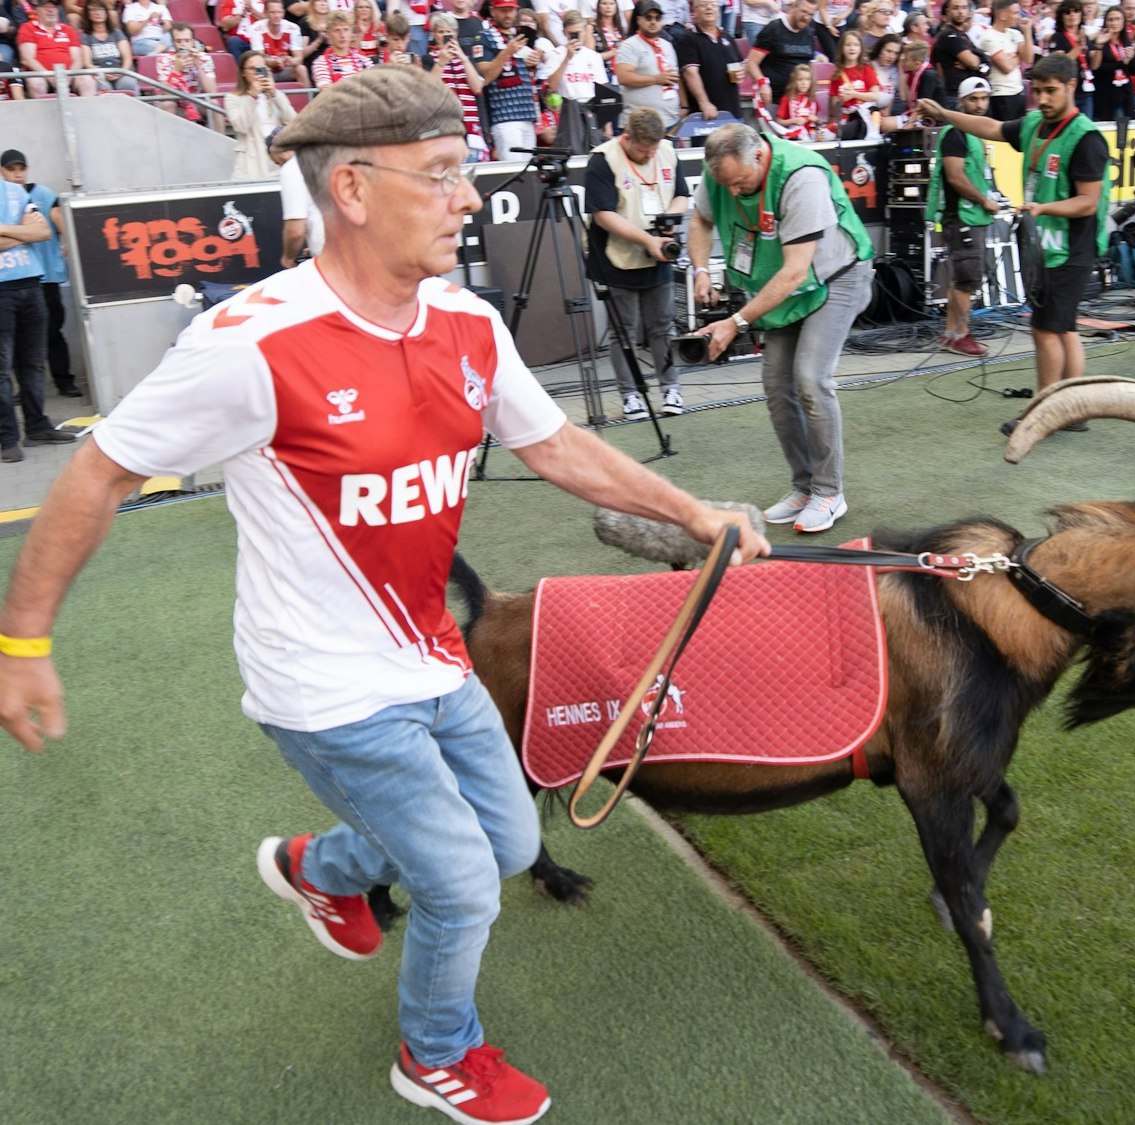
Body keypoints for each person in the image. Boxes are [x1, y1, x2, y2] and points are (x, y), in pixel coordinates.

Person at [0, 68, 766, 1125]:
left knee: (507, 845)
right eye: (442, 174)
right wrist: (22, 644)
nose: (466, 197)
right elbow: (100, 468)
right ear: (352, 191)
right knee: (459, 883)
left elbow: (556, 447)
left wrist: (692, 514)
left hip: (431, 659)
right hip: (322, 687)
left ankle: (324, 867)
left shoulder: (464, 324)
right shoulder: (253, 343)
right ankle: (436, 1056)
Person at [684, 123, 876, 534]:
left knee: (810, 377)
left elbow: (794, 271)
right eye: (726, 184)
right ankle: (803, 487)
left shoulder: (801, 175)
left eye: (741, 182)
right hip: (784, 289)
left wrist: (735, 323)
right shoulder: (720, 171)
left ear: (759, 156)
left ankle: (829, 493)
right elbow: (700, 221)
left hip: (835, 277)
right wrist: (700, 271)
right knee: (776, 386)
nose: (734, 192)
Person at [918, 53, 1106, 434]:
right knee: (1063, 327)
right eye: (1038, 91)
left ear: (1071, 87)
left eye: (1051, 91)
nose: (1044, 99)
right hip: (1045, 245)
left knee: (1046, 329)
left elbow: (1088, 200)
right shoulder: (1036, 123)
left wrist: (1042, 207)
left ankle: (1043, 413)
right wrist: (946, 115)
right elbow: (989, 126)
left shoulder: (1086, 137)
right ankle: (1074, 410)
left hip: (1071, 247)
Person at [584, 107, 688, 421]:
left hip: (659, 253)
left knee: (663, 326)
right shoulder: (603, 159)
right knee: (623, 331)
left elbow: (682, 194)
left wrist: (670, 218)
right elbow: (603, 214)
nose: (649, 155)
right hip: (618, 257)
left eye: (654, 148)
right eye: (643, 150)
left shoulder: (666, 152)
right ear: (627, 138)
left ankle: (671, 387)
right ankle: (630, 395)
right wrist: (646, 240)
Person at [925, 76, 1005, 357]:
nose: (980, 104)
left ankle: (951, 334)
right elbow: (956, 177)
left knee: (964, 277)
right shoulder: (956, 134)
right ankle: (959, 334)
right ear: (961, 101)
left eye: (984, 98)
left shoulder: (972, 133)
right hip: (962, 215)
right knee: (967, 278)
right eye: (974, 99)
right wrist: (984, 200)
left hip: (970, 214)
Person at [0, 173, 74, 461]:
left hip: (31, 284)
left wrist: (5, 230)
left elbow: (43, 232)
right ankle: (7, 439)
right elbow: (31, 232)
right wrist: (21, 231)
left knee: (33, 363)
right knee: (1, 371)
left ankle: (37, 427)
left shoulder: (15, 192)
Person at [0, 150, 78, 401]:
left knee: (52, 332)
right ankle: (24, 393)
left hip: (47, 275)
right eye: (12, 169)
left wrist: (12, 233)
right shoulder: (8, 197)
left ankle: (64, 382)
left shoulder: (41, 194)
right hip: (11, 282)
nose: (18, 174)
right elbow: (35, 232)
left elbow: (49, 230)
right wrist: (26, 231)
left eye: (21, 168)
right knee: (14, 347)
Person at [478, 0, 546, 158]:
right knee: (513, 170)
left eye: (511, 10)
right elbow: (486, 77)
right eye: (502, 10)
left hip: (527, 113)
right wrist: (507, 52)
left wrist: (533, 62)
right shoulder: (484, 37)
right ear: (493, 11)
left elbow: (530, 73)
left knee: (529, 172)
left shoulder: (523, 34)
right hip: (504, 116)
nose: (507, 14)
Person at [224, 51, 300, 179]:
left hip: (277, 157)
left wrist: (274, 94)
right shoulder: (233, 98)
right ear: (243, 73)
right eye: (253, 69)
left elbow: (293, 122)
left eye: (261, 68)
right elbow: (240, 126)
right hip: (251, 159)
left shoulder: (277, 95)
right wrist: (252, 96)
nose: (257, 72)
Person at [424, 12, 489, 159]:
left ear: (456, 33)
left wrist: (463, 58)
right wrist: (441, 62)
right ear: (435, 35)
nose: (445, 35)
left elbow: (477, 87)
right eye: (441, 32)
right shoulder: (428, 59)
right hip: (444, 127)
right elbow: (428, 89)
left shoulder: (466, 58)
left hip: (470, 130)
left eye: (449, 32)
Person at [746, 0, 825, 110]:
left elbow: (808, 65)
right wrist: (762, 83)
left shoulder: (809, 33)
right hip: (773, 99)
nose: (806, 18)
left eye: (811, 15)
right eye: (804, 12)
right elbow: (751, 62)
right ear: (793, 8)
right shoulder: (773, 29)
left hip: (798, 102)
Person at [676, 0, 743, 122]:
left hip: (732, 112)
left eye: (713, 4)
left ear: (718, 10)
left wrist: (741, 72)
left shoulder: (726, 36)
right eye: (703, 5)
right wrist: (704, 103)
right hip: (706, 116)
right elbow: (690, 73)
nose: (709, 8)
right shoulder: (688, 39)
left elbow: (739, 64)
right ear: (694, 12)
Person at [19, 0, 95, 97]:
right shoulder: (28, 27)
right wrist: (50, 77)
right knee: (35, 82)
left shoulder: (67, 29)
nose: (50, 10)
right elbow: (27, 59)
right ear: (37, 10)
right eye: (46, 7)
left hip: (69, 75)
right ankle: (41, 112)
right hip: (41, 74)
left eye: (53, 7)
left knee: (87, 80)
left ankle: (87, 111)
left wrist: (68, 77)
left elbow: (78, 59)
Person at [158, 22, 219, 125]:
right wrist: (176, 70)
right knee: (168, 104)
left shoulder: (204, 58)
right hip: (175, 101)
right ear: (173, 42)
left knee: (214, 104)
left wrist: (199, 66)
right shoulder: (164, 59)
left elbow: (212, 92)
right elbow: (166, 94)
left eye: (187, 40)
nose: (183, 44)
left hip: (198, 101)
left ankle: (220, 140)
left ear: (193, 42)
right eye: (179, 41)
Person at [1089, 4, 1135, 119]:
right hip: (1105, 94)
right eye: (1110, 20)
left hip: (1125, 94)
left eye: (1117, 19)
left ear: (1123, 22)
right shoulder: (1099, 41)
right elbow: (1097, 69)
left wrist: (1131, 59)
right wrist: (1122, 63)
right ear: (1105, 22)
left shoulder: (1127, 42)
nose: (1114, 23)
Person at [930, 0, 985, 108]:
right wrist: (979, 61)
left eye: (963, 8)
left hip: (967, 94)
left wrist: (980, 60)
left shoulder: (963, 36)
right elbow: (973, 62)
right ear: (948, 11)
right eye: (956, 8)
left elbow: (985, 65)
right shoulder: (948, 35)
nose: (960, 12)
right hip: (955, 96)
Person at [980, 0, 1029, 118]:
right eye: (1015, 13)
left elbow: (1028, 58)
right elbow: (1006, 68)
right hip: (1001, 95)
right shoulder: (989, 37)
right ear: (1003, 15)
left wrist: (1027, 31)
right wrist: (1018, 55)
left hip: (1018, 92)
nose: (1019, 17)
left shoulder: (1015, 33)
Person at [831, 27, 884, 136]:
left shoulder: (866, 69)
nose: (852, 48)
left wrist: (854, 94)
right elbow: (834, 104)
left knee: (845, 131)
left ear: (860, 49)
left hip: (866, 114)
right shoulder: (837, 74)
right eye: (848, 45)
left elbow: (875, 96)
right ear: (842, 48)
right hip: (847, 116)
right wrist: (841, 99)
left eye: (855, 45)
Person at [77, 0, 139, 92]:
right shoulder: (86, 36)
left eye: (101, 10)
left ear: (106, 13)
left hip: (119, 71)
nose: (98, 13)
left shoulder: (116, 33)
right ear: (88, 15)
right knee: (104, 87)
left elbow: (127, 58)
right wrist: (102, 73)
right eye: (93, 10)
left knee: (128, 83)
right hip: (99, 73)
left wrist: (121, 72)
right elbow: (87, 63)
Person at [245, 0, 307, 81]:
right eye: (273, 12)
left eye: (279, 12)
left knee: (301, 68)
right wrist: (272, 62)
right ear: (266, 13)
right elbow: (259, 57)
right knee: (260, 67)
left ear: (283, 13)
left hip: (285, 68)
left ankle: (307, 93)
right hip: (267, 68)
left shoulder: (293, 28)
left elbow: (299, 58)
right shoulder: (256, 28)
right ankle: (263, 93)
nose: (276, 15)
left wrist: (290, 61)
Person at [311, 10, 375, 84]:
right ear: (328, 34)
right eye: (337, 30)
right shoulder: (321, 62)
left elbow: (375, 83)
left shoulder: (364, 59)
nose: (342, 35)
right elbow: (326, 88)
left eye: (346, 30)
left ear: (351, 32)